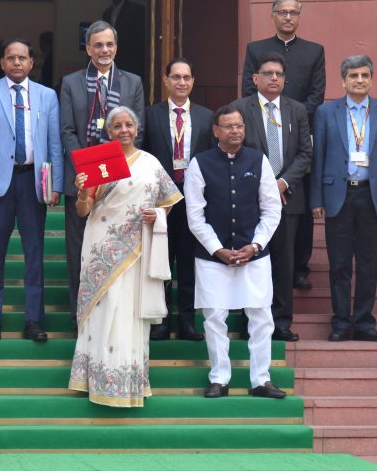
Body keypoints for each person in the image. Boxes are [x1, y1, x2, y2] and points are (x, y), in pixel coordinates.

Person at [68, 106, 182, 407]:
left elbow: (168, 202)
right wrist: (81, 192)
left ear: (136, 128)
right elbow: (83, 210)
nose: (124, 130)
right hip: (101, 246)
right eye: (117, 126)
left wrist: (155, 214)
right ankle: (94, 379)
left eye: (128, 125)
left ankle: (127, 382)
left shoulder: (151, 163)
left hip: (136, 248)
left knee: (129, 313)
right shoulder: (99, 161)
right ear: (109, 132)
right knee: (104, 310)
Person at [184, 105, 285, 399]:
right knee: (214, 317)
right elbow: (195, 216)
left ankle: (261, 379)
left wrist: (255, 245)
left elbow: (271, 209)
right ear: (216, 130)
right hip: (212, 258)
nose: (235, 131)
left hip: (253, 254)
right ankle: (219, 377)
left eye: (239, 126)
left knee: (261, 316)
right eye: (228, 126)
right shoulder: (199, 163)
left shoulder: (259, 160)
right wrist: (218, 250)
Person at [0, 39, 63, 343]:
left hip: (33, 182)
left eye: (23, 58)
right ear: (2, 63)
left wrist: (56, 185)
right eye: (11, 58)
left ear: (32, 62)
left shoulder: (47, 96)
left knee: (34, 253)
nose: (17, 63)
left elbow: (54, 145)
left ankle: (34, 319)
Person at [310, 54, 377, 342]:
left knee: (368, 263)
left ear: (371, 79)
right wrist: (317, 199)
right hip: (338, 195)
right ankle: (340, 322)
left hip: (372, 197)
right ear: (343, 80)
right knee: (338, 264)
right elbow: (318, 159)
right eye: (354, 76)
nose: (359, 80)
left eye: (365, 75)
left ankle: (364, 322)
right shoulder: (326, 113)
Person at [60, 20, 145, 333]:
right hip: (82, 179)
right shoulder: (71, 83)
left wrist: (110, 169)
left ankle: (112, 316)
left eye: (109, 44)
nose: (104, 50)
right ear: (88, 49)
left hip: (119, 180)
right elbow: (67, 131)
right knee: (78, 250)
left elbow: (138, 129)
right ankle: (78, 316)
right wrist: (88, 168)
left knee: (114, 248)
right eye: (98, 45)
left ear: (116, 47)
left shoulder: (133, 82)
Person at [242, 0, 325, 290]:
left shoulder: (314, 52)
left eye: (293, 13)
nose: (288, 17)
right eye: (282, 12)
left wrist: (292, 116)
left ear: (299, 18)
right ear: (273, 15)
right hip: (260, 133)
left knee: (299, 209)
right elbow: (246, 91)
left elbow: (317, 94)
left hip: (298, 132)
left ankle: (299, 267)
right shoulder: (256, 49)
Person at [234, 52, 312, 342]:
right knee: (250, 261)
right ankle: (248, 322)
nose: (274, 78)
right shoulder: (240, 108)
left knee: (283, 262)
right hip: (249, 200)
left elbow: (306, 153)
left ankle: (281, 323)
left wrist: (282, 182)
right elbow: (235, 149)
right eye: (267, 73)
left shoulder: (297, 110)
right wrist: (263, 185)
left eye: (279, 74)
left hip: (287, 199)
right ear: (255, 78)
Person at [143, 57, 214, 341]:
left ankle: (187, 320)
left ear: (193, 81)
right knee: (160, 261)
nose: (181, 82)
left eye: (186, 77)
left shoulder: (208, 117)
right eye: (176, 77)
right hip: (161, 202)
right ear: (166, 80)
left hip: (194, 199)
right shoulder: (150, 115)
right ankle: (160, 320)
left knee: (188, 261)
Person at [103, 0, 146, 78]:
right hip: (111, 64)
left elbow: (140, 41)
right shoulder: (106, 14)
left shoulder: (137, 11)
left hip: (131, 65)